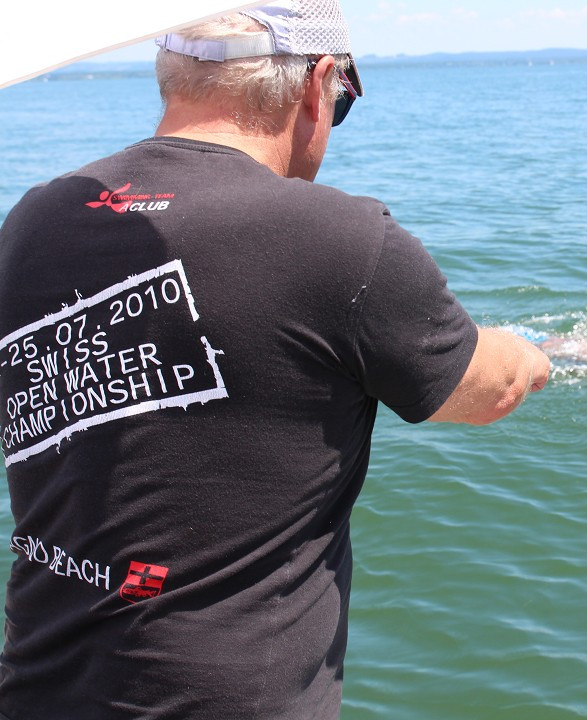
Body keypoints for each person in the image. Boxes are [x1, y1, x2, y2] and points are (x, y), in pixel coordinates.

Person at [0, 2, 548, 718]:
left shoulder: (35, 218)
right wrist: (534, 355)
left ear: (175, 71)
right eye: (342, 103)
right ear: (317, 83)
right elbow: (488, 391)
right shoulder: (341, 240)